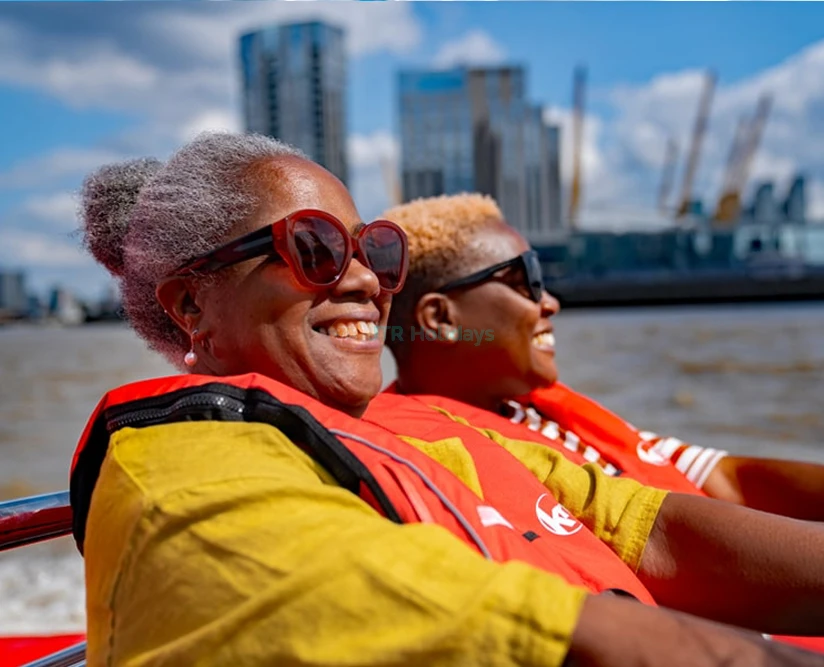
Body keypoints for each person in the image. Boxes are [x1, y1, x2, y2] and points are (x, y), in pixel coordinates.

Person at [72, 132, 824, 667]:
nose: (367, 278)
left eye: (375, 250)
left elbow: (657, 534)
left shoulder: (438, 431)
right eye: (317, 249)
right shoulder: (182, 480)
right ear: (190, 305)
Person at [378, 193, 824, 520]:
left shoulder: (546, 413)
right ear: (440, 317)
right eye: (526, 280)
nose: (549, 302)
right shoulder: (427, 457)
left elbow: (724, 480)